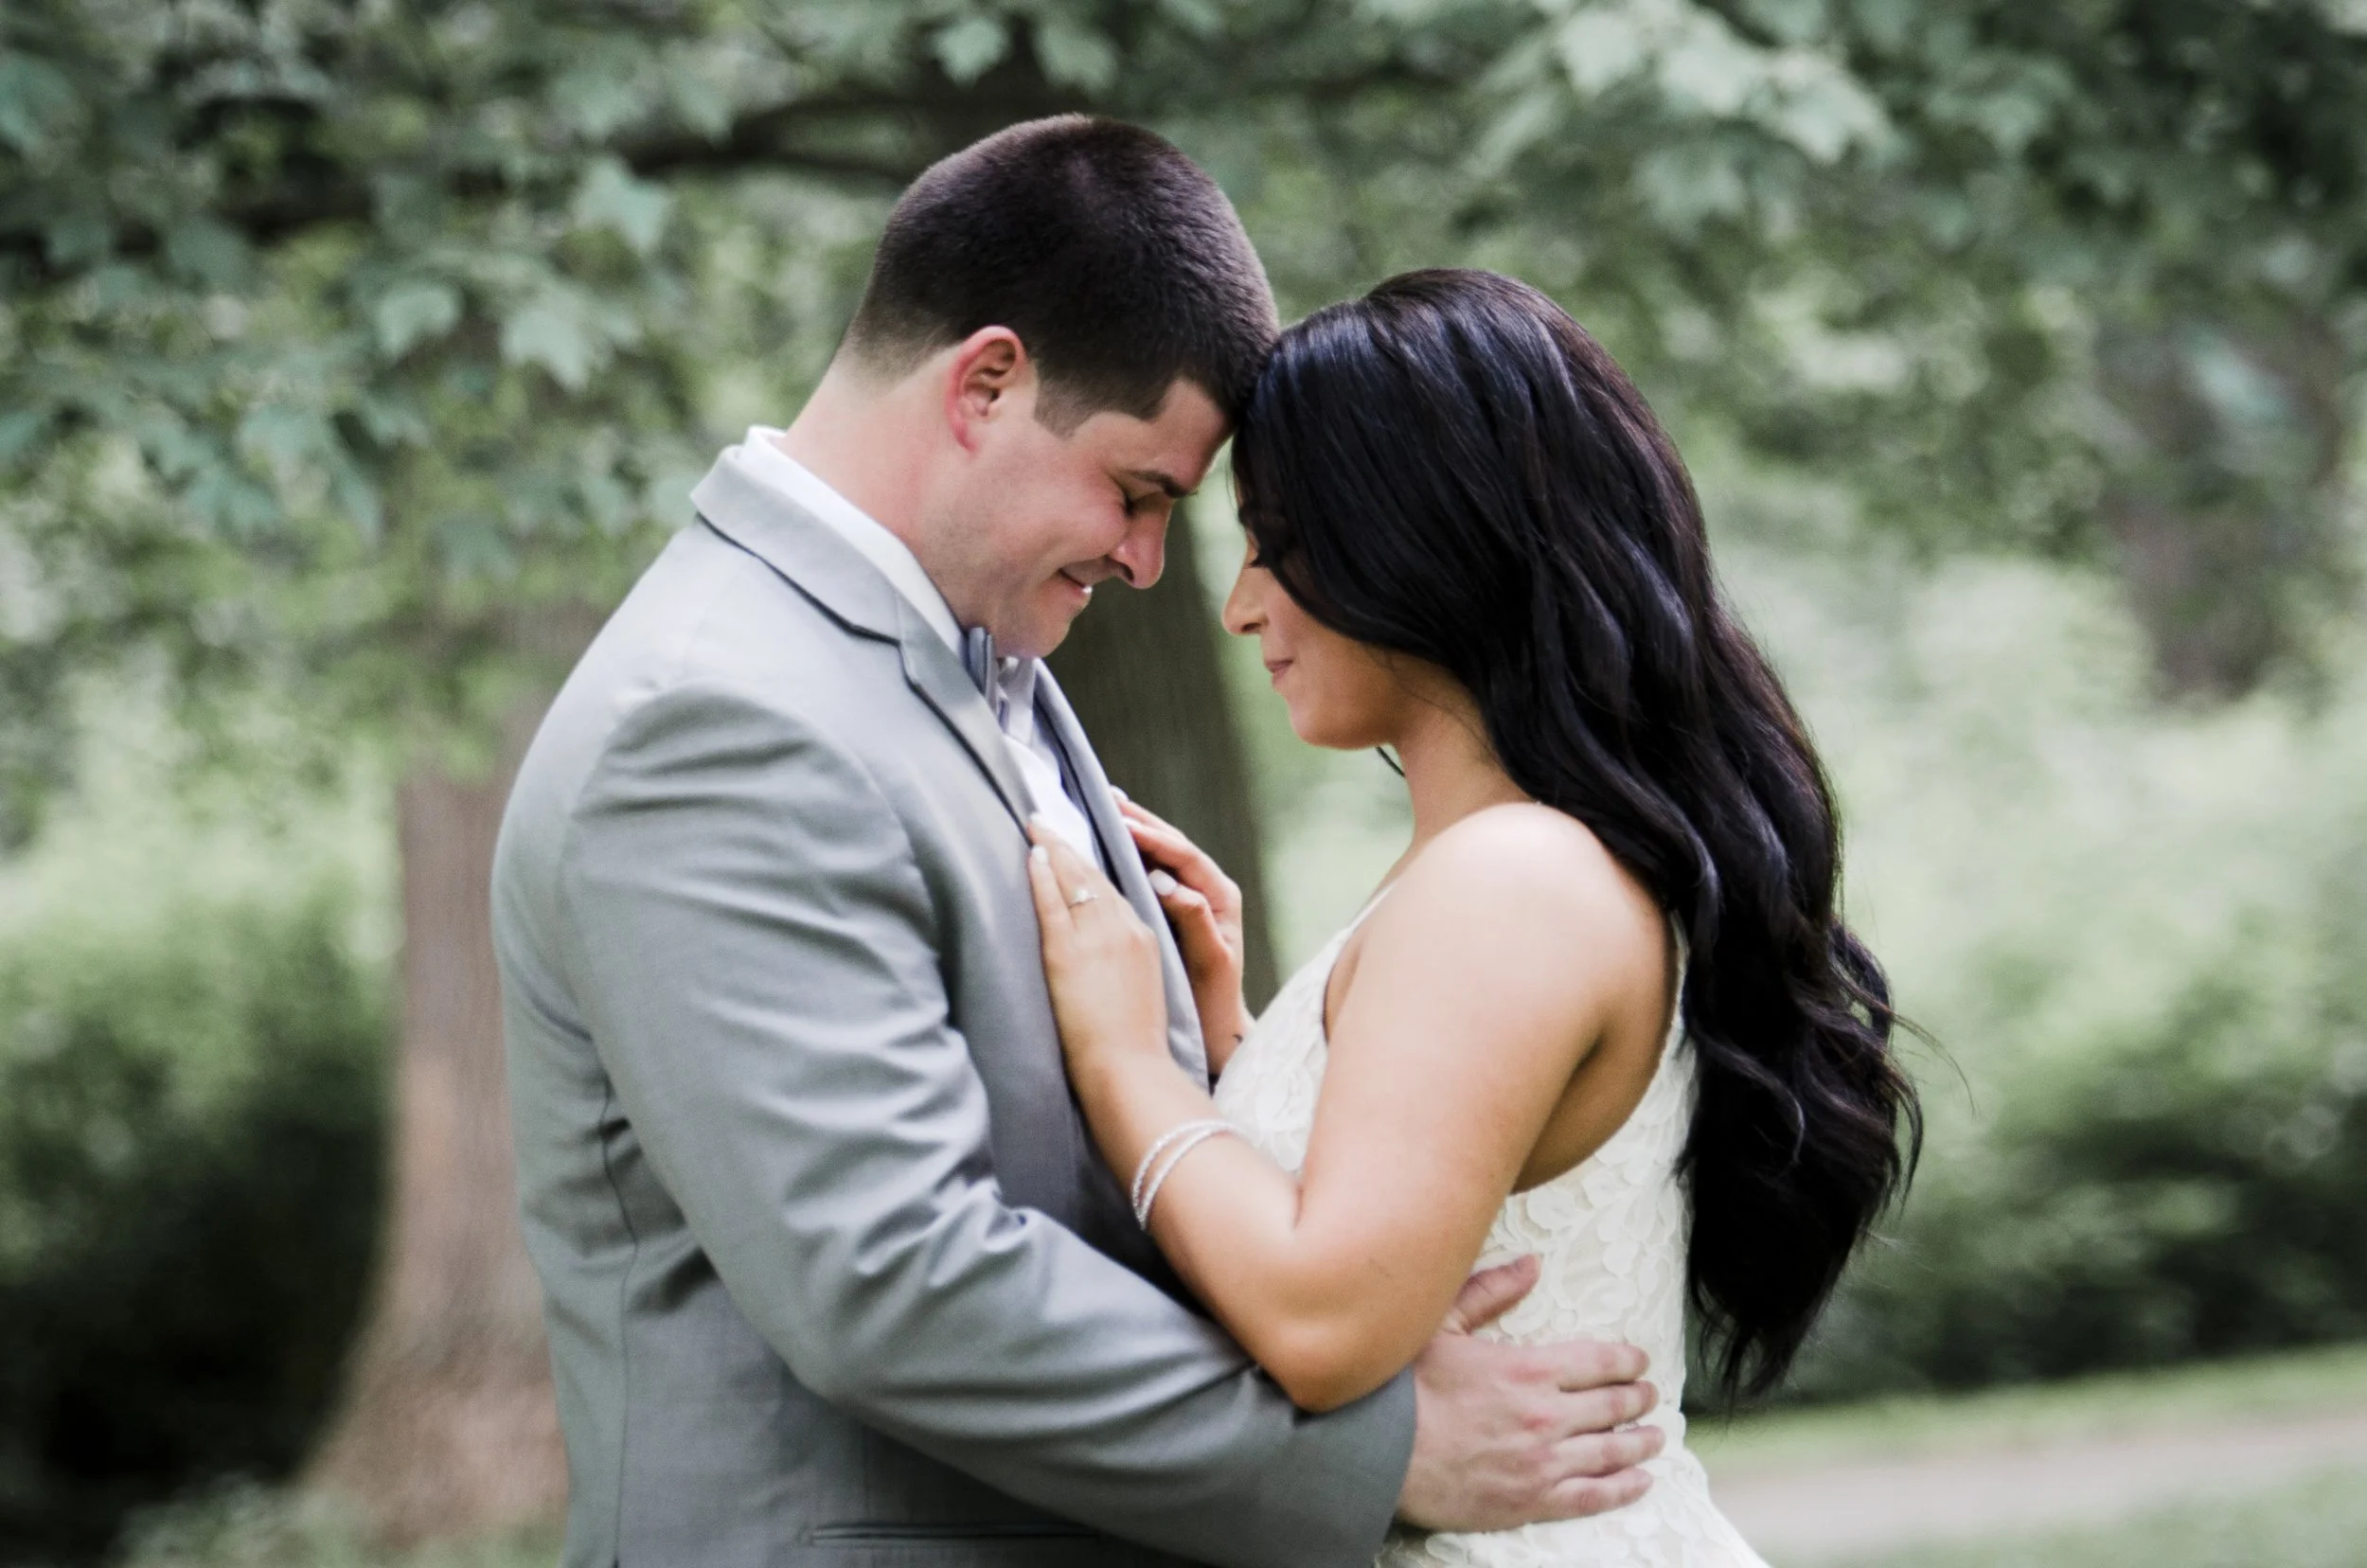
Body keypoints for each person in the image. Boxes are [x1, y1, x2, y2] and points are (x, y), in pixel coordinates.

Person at [492, 123, 1668, 1568]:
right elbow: (891, 1280)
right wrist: (1388, 1449)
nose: (1153, 566)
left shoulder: (979, 663)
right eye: (1139, 494)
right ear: (986, 384)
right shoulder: (715, 722)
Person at [1026, 268, 1923, 1567]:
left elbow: (1328, 1322)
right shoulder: (1512, 864)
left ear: (1420, 536)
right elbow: (1412, 1218)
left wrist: (1121, 1061)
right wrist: (1234, 1056)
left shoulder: (1512, 880)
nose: (1242, 606)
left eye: (1277, 545)